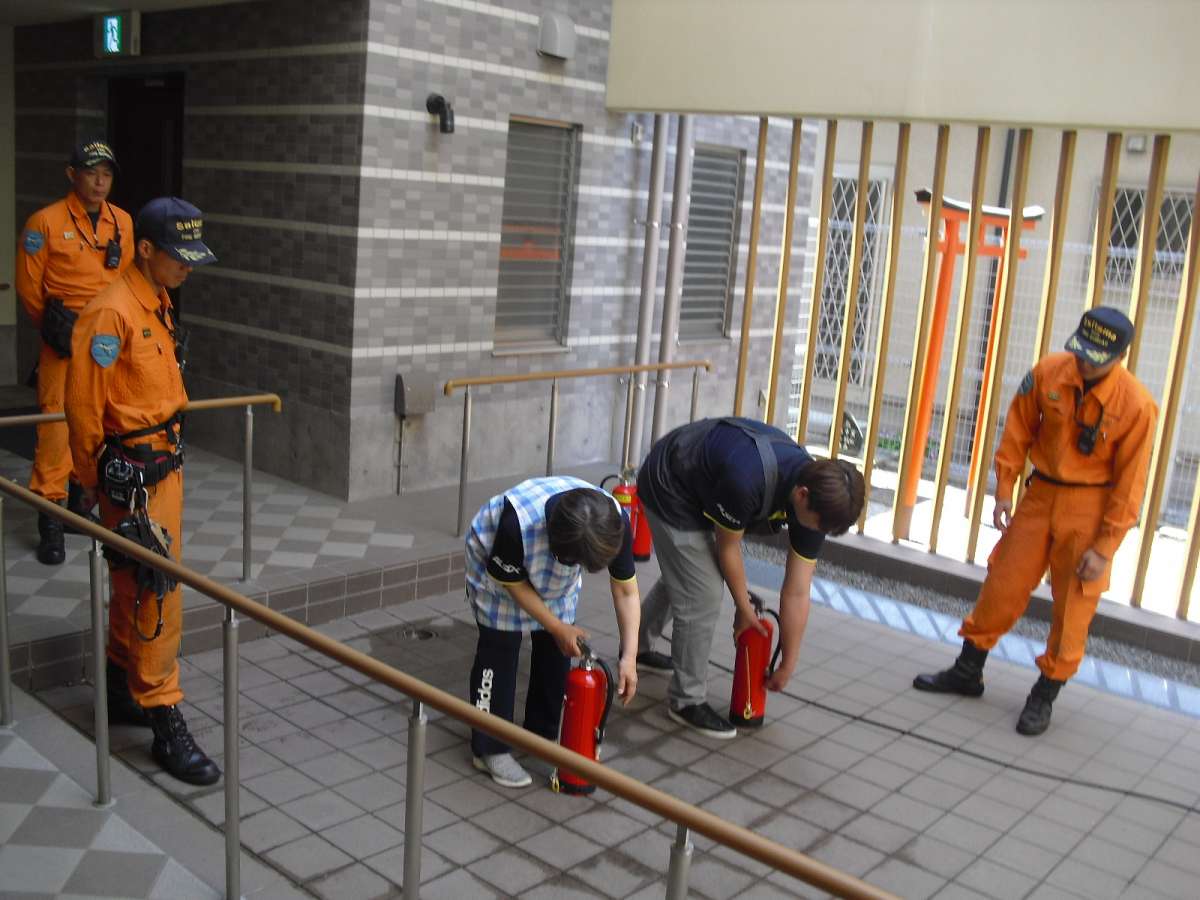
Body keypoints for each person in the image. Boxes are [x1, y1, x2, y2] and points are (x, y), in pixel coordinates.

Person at [914, 307, 1157, 736]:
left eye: (1095, 358)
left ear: (1119, 357)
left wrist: (1104, 548)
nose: (1083, 363)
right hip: (1040, 495)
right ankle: (968, 670)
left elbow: (1130, 485)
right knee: (1003, 583)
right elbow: (1018, 429)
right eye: (1081, 352)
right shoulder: (1049, 372)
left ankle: (1045, 693)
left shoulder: (1136, 405)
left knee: (1073, 607)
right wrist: (1004, 488)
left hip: (1090, 508)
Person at [64, 196, 218, 785]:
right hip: (133, 480)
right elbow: (83, 410)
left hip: (162, 467)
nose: (188, 267)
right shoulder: (110, 313)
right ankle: (162, 712)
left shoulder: (156, 298)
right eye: (180, 257)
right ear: (146, 249)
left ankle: (119, 685)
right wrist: (91, 482)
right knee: (157, 589)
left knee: (134, 583)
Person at [636, 416, 865, 739]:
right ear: (802, 495)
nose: (817, 532)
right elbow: (727, 547)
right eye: (817, 525)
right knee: (702, 593)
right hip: (669, 481)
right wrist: (743, 607)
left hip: (706, 485)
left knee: (690, 577)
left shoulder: (819, 506)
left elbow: (797, 590)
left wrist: (788, 662)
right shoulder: (747, 479)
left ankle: (636, 649)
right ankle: (686, 701)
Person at [465, 476, 640, 788]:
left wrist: (629, 656)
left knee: (558, 652)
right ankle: (489, 748)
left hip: (556, 582)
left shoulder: (613, 524)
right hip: (498, 572)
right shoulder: (516, 524)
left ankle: (540, 734)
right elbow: (512, 582)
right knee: (499, 651)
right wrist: (556, 626)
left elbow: (626, 591)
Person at [15, 139, 135, 565]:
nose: (100, 182)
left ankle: (79, 503)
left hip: (105, 341)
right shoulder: (44, 222)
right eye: (91, 173)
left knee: (98, 422)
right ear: (72, 175)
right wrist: (55, 328)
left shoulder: (122, 221)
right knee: (55, 426)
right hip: (62, 338)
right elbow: (29, 288)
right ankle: (50, 517)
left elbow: (127, 281)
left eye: (106, 174)